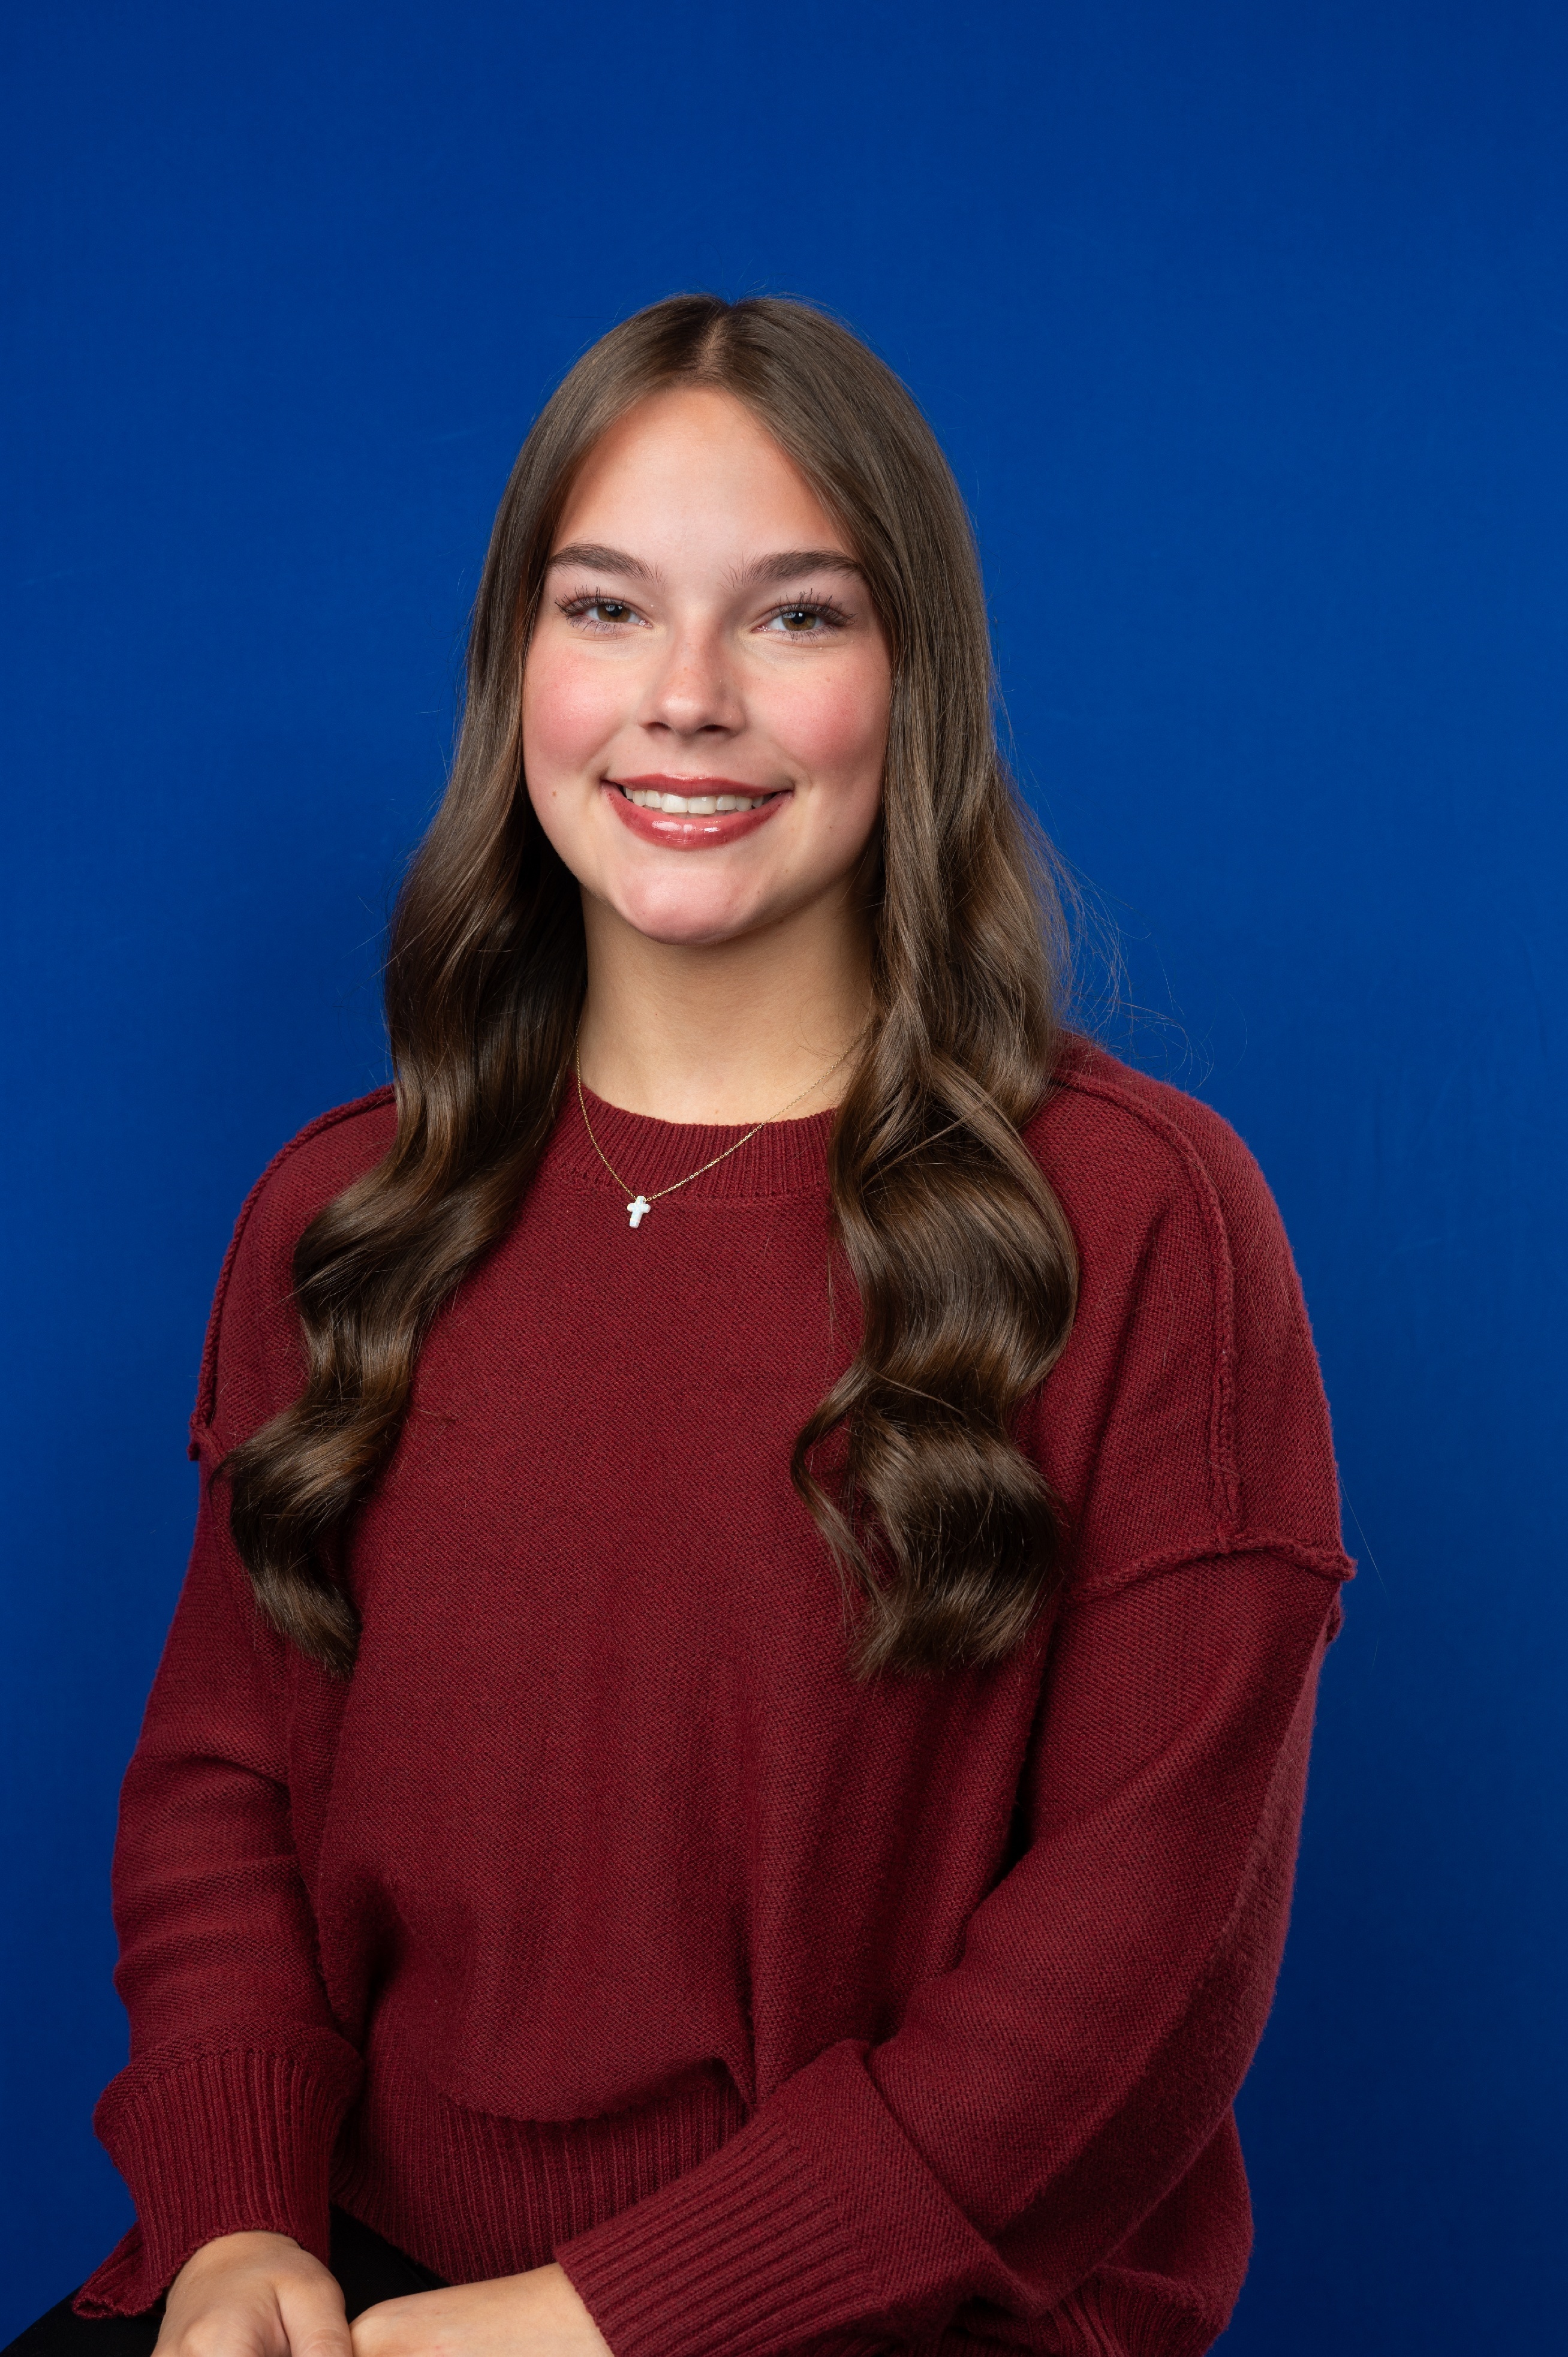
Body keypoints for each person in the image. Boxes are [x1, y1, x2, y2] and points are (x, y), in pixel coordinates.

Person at [12, 294, 1352, 2357]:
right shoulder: (340, 1218)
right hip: (361, 2289)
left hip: (887, 2309)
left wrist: (596, 2318)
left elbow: (1140, 1966)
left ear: (915, 682)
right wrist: (236, 2224)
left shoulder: (1143, 1219)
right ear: (517, 671)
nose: (689, 699)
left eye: (796, 615)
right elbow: (222, 1792)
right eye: (609, 607)